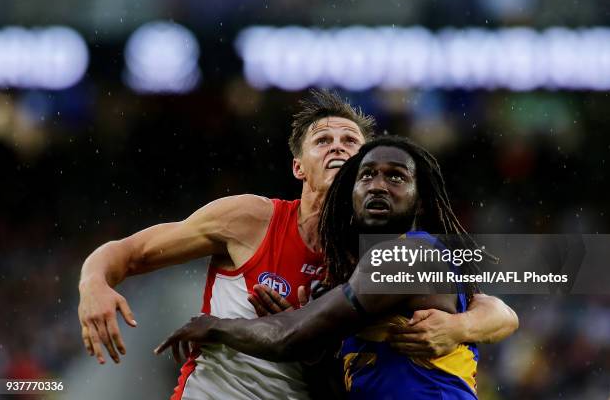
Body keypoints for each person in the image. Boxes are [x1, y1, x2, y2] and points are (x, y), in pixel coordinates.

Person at [79, 91, 517, 400]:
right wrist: (95, 282)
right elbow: (129, 252)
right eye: (323, 141)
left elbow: (497, 308)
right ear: (298, 166)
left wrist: (462, 328)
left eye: (351, 142)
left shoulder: (378, 252)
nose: (337, 148)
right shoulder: (250, 219)